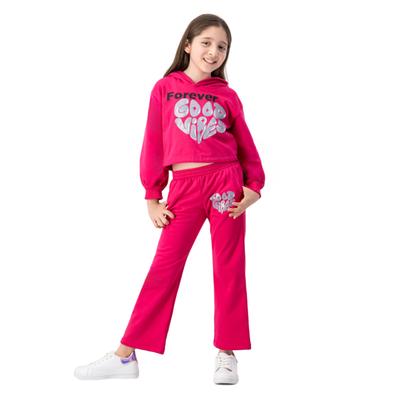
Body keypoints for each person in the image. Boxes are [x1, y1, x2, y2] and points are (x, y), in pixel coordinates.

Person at [74, 13, 265, 385]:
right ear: (188, 45)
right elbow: (154, 142)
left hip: (226, 184)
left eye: (222, 47)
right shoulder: (165, 88)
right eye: (206, 43)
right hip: (184, 187)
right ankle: (125, 356)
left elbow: (245, 143)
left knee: (229, 267)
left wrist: (254, 186)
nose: (213, 52)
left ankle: (227, 354)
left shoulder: (227, 95)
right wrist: (152, 195)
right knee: (164, 268)